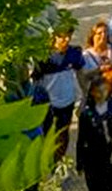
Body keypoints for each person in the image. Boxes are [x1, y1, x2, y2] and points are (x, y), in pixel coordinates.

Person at [32, 25, 86, 162]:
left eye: (69, 36)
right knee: (48, 135)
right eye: (62, 36)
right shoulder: (43, 57)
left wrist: (85, 96)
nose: (66, 39)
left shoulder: (74, 53)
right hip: (48, 104)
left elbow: (81, 74)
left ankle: (58, 163)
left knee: (63, 133)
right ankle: (47, 163)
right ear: (54, 37)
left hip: (67, 101)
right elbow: (35, 82)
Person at [76, 74, 112, 191]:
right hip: (92, 156)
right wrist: (79, 163)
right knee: (96, 186)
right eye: (99, 91)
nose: (103, 94)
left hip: (109, 152)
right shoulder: (86, 114)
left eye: (105, 90)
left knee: (111, 184)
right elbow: (81, 139)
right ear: (92, 93)